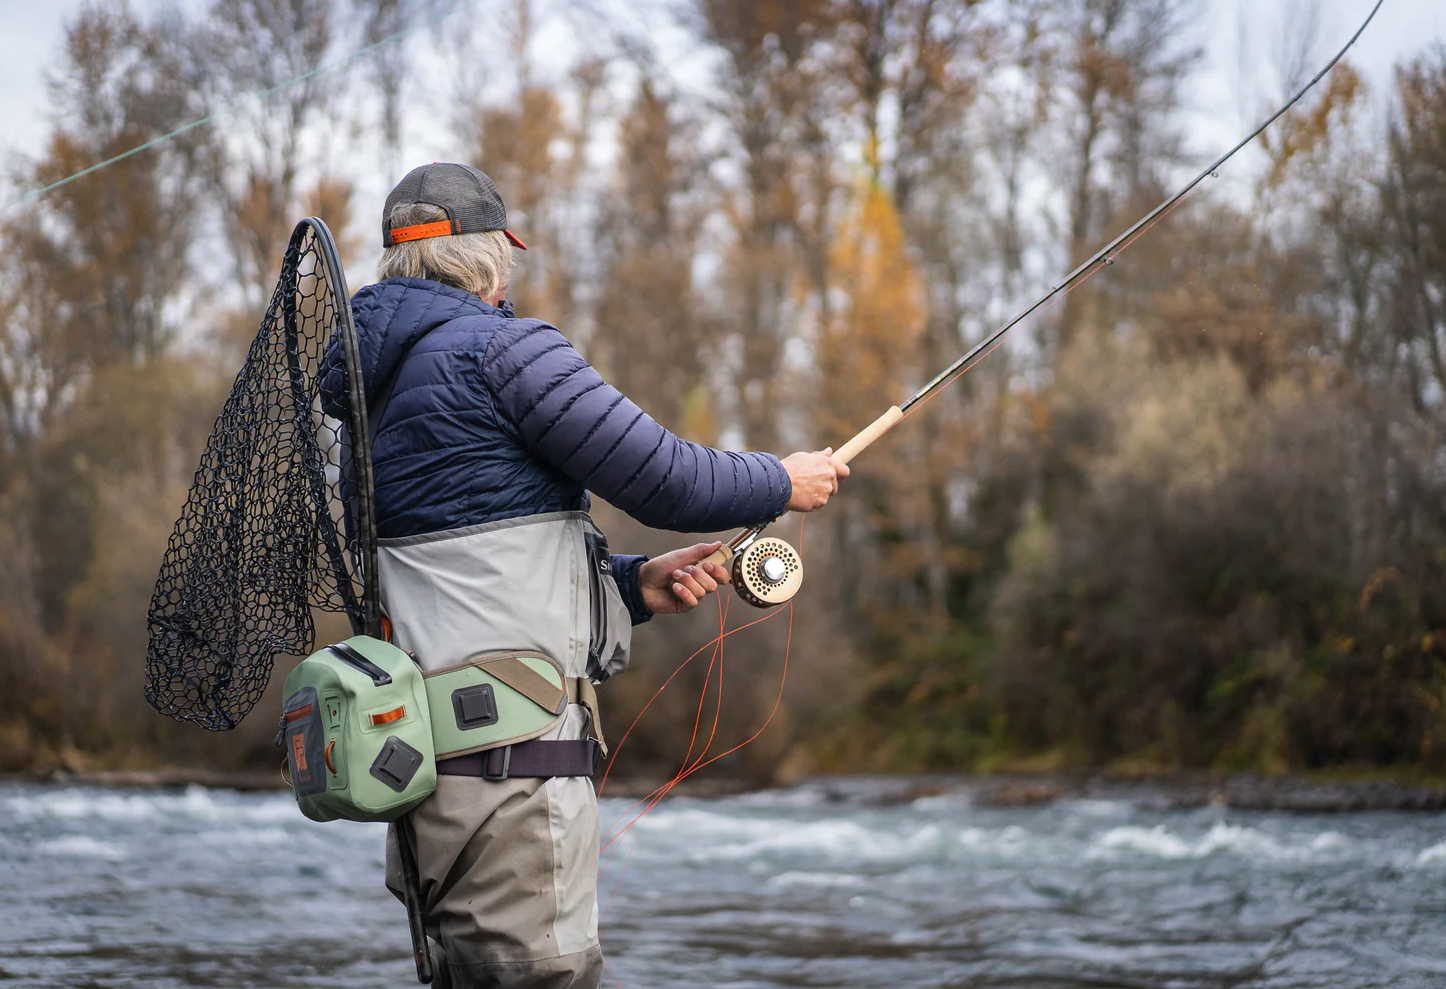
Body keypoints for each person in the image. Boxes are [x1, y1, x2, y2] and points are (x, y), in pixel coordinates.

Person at [325, 162, 847, 989]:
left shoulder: (366, 396)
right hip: (513, 782)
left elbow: (467, 568)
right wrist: (783, 482)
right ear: (493, 260)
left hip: (428, 782)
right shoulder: (505, 350)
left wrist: (632, 586)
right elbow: (669, 479)